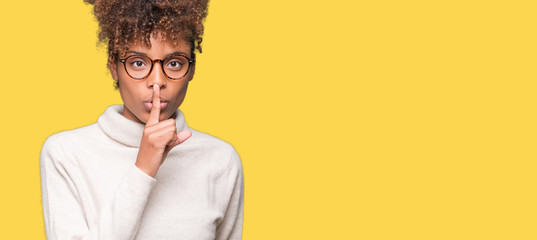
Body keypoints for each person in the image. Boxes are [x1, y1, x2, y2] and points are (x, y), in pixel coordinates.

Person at [39, 0, 244, 239]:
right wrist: (143, 169)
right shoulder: (66, 153)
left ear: (192, 69)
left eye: (174, 63)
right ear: (113, 66)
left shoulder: (220, 159)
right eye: (138, 63)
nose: (157, 80)